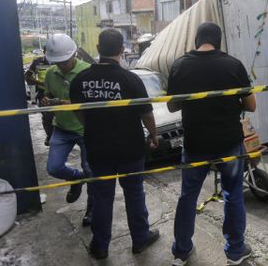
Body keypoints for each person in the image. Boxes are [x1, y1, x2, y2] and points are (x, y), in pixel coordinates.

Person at [167, 22, 256, 266]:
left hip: (195, 144)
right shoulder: (233, 65)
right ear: (218, 40)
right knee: (233, 194)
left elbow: (172, 105)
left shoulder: (180, 65)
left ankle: (181, 251)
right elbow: (251, 105)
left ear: (197, 40)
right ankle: (236, 251)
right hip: (229, 143)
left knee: (188, 196)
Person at [70, 29, 160, 260]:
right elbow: (147, 114)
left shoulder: (80, 81)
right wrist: (153, 135)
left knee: (102, 197)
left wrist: (95, 128)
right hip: (130, 148)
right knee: (134, 193)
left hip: (98, 149)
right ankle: (140, 239)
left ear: (98, 49)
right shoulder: (131, 79)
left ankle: (100, 246)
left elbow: (81, 116)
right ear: (122, 50)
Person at [42, 34, 93, 226]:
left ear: (74, 54)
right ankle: (77, 179)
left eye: (64, 61)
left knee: (91, 170)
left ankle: (92, 209)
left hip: (85, 129)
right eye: (58, 62)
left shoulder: (87, 72)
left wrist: (70, 103)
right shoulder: (50, 74)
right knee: (53, 167)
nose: (61, 65)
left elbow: (94, 103)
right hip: (62, 128)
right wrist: (46, 100)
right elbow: (47, 94)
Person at [24, 46, 54, 146]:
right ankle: (50, 136)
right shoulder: (37, 62)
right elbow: (27, 76)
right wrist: (40, 82)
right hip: (43, 93)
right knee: (47, 116)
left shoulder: (60, 60)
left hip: (57, 92)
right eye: (48, 51)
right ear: (44, 52)